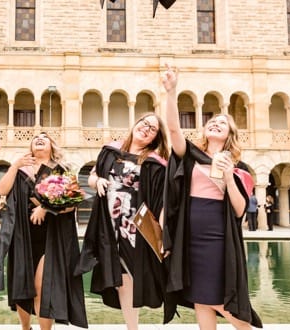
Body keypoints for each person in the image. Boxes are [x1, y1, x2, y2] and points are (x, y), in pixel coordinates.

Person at [161, 64, 262, 329]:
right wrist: (171, 92)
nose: (216, 124)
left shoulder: (238, 170)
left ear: (230, 135)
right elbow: (172, 130)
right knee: (200, 299)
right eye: (212, 121)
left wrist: (228, 177)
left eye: (222, 123)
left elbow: (239, 211)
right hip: (189, 234)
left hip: (217, 236)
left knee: (218, 298)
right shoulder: (192, 156)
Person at [0, 132, 88, 330]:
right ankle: (25, 328)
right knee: (22, 287)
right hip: (22, 234)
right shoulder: (21, 170)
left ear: (51, 146)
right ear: (30, 146)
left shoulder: (61, 171)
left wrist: (45, 207)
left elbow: (72, 203)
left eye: (44, 137)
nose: (39, 138)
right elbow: (3, 190)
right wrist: (15, 165)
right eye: (36, 137)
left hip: (51, 236)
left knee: (42, 287)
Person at [75, 113, 169, 329]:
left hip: (135, 227)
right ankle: (132, 326)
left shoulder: (155, 163)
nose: (145, 129)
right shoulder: (111, 150)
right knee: (122, 276)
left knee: (137, 273)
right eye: (144, 123)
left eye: (152, 129)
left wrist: (163, 234)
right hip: (109, 225)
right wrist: (97, 180)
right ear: (135, 124)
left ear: (155, 137)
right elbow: (92, 176)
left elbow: (162, 201)